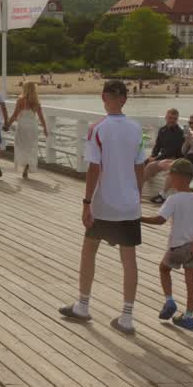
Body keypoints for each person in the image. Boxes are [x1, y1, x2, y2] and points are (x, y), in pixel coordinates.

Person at [59, 80, 146, 335]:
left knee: (89, 251)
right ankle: (127, 316)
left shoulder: (97, 128)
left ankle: (83, 305)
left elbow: (94, 168)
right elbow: (140, 167)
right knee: (129, 259)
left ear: (103, 97)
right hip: (129, 204)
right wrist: (137, 195)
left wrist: (86, 203)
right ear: (125, 99)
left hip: (104, 203)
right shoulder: (136, 129)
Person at [140, 159, 193, 331]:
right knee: (191, 282)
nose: (170, 179)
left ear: (178, 177)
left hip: (178, 247)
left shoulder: (173, 199)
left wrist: (138, 218)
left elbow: (160, 220)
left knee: (164, 269)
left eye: (171, 176)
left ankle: (169, 301)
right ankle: (189, 316)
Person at [5, 81, 48, 179]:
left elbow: (15, 114)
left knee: (20, 145)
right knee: (31, 147)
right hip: (32, 127)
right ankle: (28, 164)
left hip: (22, 126)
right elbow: (41, 117)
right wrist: (45, 129)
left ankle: (23, 164)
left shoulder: (21, 100)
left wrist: (8, 124)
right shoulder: (36, 102)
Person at [142, 109, 185, 202]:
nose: (172, 120)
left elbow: (171, 151)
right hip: (163, 157)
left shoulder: (179, 133)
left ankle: (137, 189)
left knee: (150, 165)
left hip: (174, 158)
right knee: (142, 163)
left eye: (175, 118)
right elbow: (157, 146)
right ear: (166, 117)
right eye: (170, 118)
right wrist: (152, 156)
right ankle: (135, 187)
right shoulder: (162, 130)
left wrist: (155, 159)